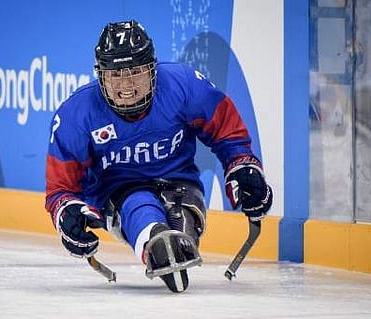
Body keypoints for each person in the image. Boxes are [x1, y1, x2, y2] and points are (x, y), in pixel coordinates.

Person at [45, 20, 273, 293]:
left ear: (152, 69)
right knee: (139, 208)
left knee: (182, 222)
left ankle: (173, 237)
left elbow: (226, 130)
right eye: (115, 74)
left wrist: (242, 165)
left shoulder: (183, 85)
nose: (126, 85)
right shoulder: (76, 115)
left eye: (136, 72)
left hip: (180, 182)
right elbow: (61, 188)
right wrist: (65, 213)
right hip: (118, 191)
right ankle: (152, 236)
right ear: (100, 76)